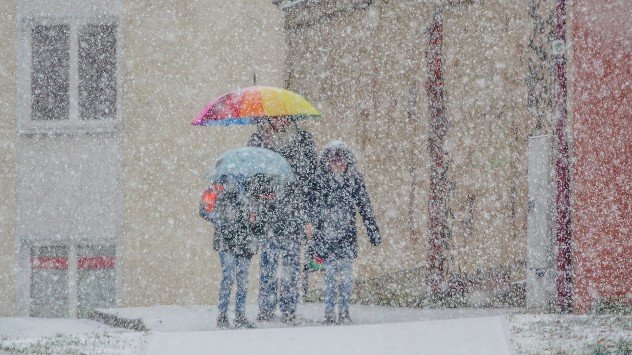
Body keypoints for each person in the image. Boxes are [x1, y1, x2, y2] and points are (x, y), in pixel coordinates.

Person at [248, 115, 318, 323]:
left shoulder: (302, 139)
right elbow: (251, 175)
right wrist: (260, 194)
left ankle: (288, 308)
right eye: (274, 117)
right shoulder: (258, 140)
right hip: (269, 215)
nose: (278, 121)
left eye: (282, 117)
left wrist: (308, 217)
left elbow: (309, 176)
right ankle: (266, 308)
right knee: (268, 265)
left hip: (294, 214)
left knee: (291, 267)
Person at [310, 140, 381, 325]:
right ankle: (329, 312)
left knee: (347, 279)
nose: (338, 164)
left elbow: (364, 206)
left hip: (347, 237)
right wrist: (312, 231)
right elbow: (313, 208)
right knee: (330, 278)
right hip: (327, 237)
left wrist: (373, 231)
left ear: (348, 162)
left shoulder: (354, 180)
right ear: (328, 163)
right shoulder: (320, 181)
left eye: (341, 161)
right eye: (334, 161)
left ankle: (344, 311)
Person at [200, 174, 268, 329]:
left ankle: (239, 316)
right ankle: (223, 315)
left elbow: (258, 216)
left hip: (245, 241)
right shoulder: (218, 187)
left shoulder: (252, 188)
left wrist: (254, 218)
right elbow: (204, 209)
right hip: (227, 240)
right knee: (229, 277)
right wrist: (220, 218)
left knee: (242, 280)